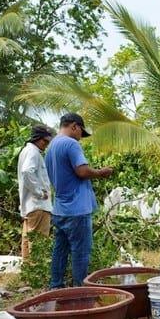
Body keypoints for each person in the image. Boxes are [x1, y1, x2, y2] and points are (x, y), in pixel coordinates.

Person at [45, 113, 113, 288]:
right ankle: (80, 291)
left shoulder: (51, 146)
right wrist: (101, 172)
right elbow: (82, 171)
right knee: (80, 252)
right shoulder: (70, 144)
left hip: (60, 208)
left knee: (60, 250)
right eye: (81, 133)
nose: (80, 138)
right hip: (77, 210)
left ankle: (56, 287)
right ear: (74, 126)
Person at [17, 125, 54, 259]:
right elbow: (27, 171)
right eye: (44, 141)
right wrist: (39, 192)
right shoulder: (33, 152)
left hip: (30, 205)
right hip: (38, 205)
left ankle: (28, 275)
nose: (46, 144)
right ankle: (37, 276)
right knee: (39, 243)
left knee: (28, 241)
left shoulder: (26, 151)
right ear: (37, 139)